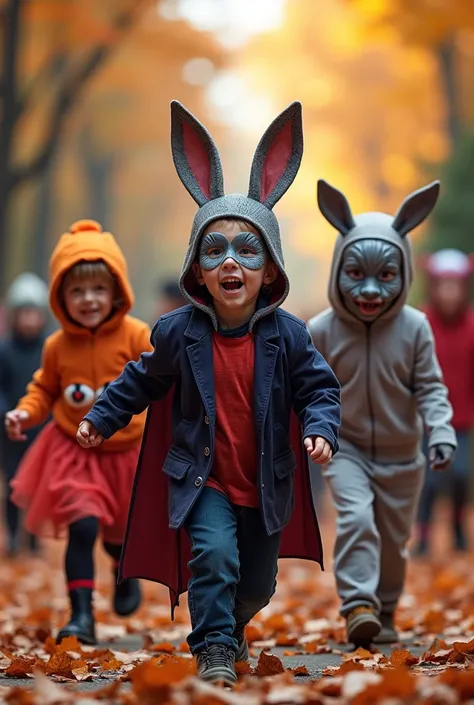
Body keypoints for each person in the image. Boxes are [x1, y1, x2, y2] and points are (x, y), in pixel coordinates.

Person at [76, 100, 341, 686]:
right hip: (203, 479)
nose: (230, 263)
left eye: (247, 251)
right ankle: (214, 646)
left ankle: (232, 625)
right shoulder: (178, 333)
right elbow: (140, 379)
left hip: (266, 481)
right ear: (196, 268)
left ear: (269, 271)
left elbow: (319, 387)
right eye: (214, 249)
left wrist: (321, 428)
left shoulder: (288, 335)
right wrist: (103, 416)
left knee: (257, 583)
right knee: (214, 557)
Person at [308, 179, 456, 648]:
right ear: (339, 270)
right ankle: (357, 604)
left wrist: (441, 431)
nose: (370, 290)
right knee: (356, 519)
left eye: (385, 276)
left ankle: (384, 608)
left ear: (404, 272)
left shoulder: (415, 328)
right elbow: (307, 388)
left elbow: (430, 386)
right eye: (356, 275)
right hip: (345, 447)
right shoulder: (322, 331)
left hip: (402, 454)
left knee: (394, 541)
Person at [5, 219, 151, 645]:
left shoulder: (136, 335)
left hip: (128, 455)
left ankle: (124, 571)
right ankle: (81, 615)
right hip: (74, 451)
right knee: (83, 525)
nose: (89, 300)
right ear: (61, 297)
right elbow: (44, 390)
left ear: (117, 291)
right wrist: (23, 414)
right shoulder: (56, 347)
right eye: (77, 291)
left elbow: (163, 379)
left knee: (117, 540)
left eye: (99, 289)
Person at [415, 249, 474, 554]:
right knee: (428, 481)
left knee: (460, 474)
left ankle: (457, 527)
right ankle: (423, 537)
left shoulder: (471, 327)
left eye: (456, 286)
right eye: (444, 286)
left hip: (460, 420)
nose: (450, 293)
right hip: (424, 421)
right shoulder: (421, 322)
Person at [0, 272, 49, 556]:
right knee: (14, 482)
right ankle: (14, 537)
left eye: (34, 313)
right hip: (11, 428)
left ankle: (33, 535)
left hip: (40, 428)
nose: (29, 320)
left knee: (40, 484)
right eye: (24, 313)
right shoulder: (5, 350)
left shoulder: (49, 349)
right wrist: (6, 412)